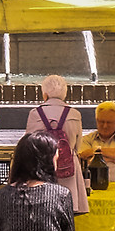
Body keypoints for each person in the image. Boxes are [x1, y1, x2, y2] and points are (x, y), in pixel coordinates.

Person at [27, 74, 88, 216]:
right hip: (69, 171)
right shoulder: (74, 114)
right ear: (64, 94)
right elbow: (77, 146)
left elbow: (28, 145)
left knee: (42, 213)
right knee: (67, 214)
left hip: (41, 170)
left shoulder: (35, 114)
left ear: (45, 94)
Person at [80, 99, 115, 189]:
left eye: (109, 122)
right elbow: (84, 158)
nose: (105, 126)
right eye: (101, 122)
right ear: (96, 120)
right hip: (92, 187)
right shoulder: (86, 139)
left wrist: (97, 151)